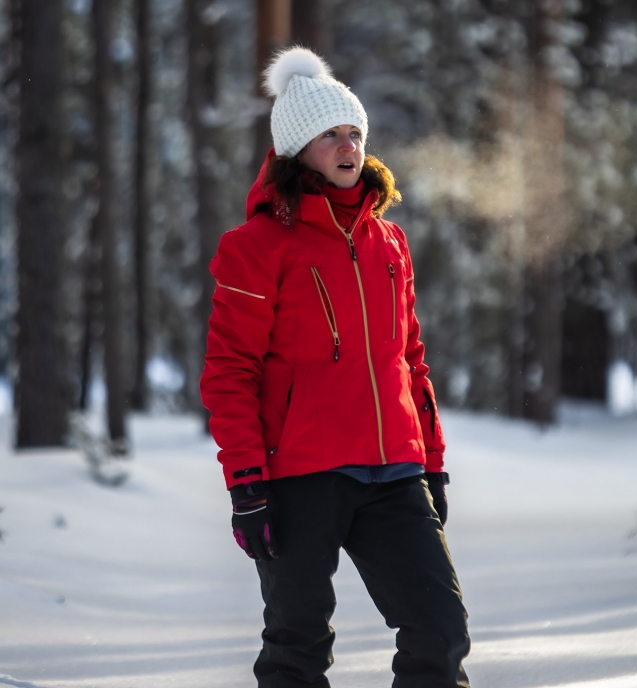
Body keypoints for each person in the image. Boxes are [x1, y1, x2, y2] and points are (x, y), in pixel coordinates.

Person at [200, 47, 471, 688]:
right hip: (298, 476)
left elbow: (410, 362)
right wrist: (246, 483)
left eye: (355, 133)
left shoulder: (389, 243)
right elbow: (229, 371)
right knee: (297, 645)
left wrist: (431, 463)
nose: (349, 147)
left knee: (440, 630)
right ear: (298, 149)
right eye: (331, 136)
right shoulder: (256, 247)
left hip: (394, 474)